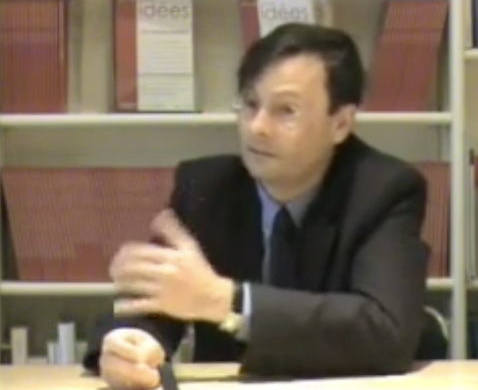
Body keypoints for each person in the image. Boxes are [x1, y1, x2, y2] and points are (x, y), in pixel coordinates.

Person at [83, 22, 430, 390]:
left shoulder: (384, 190)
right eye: (250, 104)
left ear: (341, 123)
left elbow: (387, 331)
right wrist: (132, 344)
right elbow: (154, 303)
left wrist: (225, 301)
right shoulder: (206, 188)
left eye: (286, 110)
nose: (257, 127)